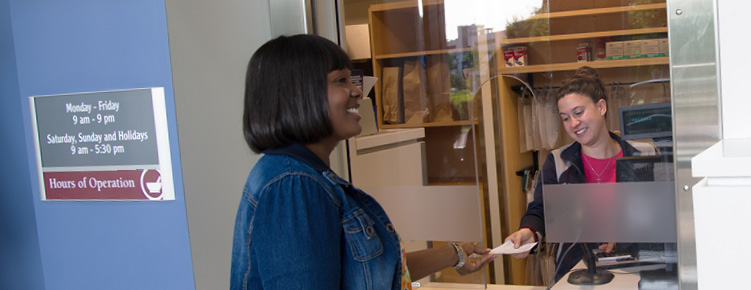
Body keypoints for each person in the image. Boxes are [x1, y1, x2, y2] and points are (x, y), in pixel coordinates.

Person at [230, 34, 496, 290]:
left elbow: (371, 272)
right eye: (341, 80)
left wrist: (455, 254)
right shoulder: (294, 186)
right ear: (299, 94)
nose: (357, 91)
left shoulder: (304, 177)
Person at [504, 67, 658, 282]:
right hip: (576, 274)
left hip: (636, 273)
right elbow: (542, 210)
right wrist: (529, 232)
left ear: (601, 107)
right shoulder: (557, 162)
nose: (573, 124)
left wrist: (625, 232)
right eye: (565, 118)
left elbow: (660, 215)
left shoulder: (643, 155)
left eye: (578, 113)